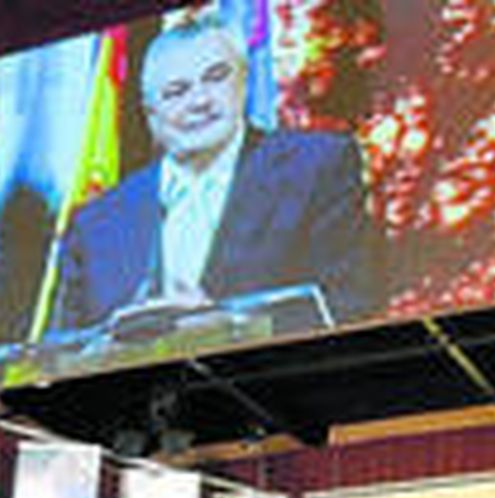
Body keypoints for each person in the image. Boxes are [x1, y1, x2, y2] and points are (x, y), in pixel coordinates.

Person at [48, 12, 381, 342]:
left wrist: (228, 326)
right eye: (176, 92)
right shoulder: (96, 222)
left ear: (244, 83)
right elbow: (62, 354)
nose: (200, 101)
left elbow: (349, 308)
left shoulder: (317, 167)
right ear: (151, 115)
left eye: (216, 77)